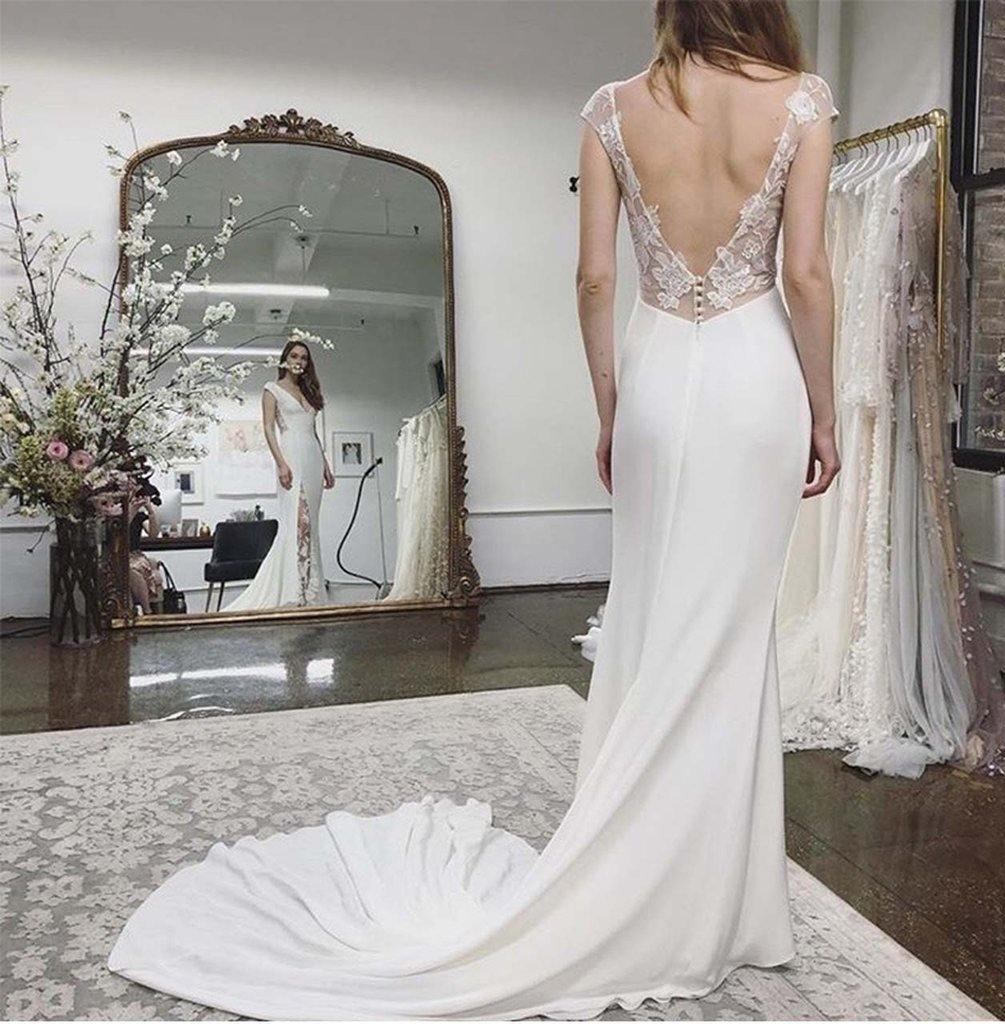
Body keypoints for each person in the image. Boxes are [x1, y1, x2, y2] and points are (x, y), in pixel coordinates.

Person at [107, 1, 841, 1016]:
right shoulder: (800, 100)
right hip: (759, 379)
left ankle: (670, 869)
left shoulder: (614, 107)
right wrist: (823, 408)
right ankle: (723, 898)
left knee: (655, 614)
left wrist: (610, 407)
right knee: (731, 630)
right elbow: (803, 273)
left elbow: (595, 278)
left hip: (658, 378)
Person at [220, 339, 335, 612]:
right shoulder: (272, 389)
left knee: (311, 527)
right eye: (294, 356)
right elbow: (269, 429)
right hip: (291, 456)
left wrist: (326, 465)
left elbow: (313, 432)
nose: (299, 361)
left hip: (313, 458)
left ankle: (309, 591)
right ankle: (291, 589)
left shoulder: (309, 392)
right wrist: (281, 463)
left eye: (304, 358)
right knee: (297, 523)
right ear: (285, 359)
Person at [127, 481, 164, 615]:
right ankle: (147, 610)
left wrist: (150, 511)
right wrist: (131, 511)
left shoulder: (140, 516)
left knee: (139, 566)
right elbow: (119, 532)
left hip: (135, 555)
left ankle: (147, 611)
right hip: (120, 555)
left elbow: (153, 534)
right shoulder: (117, 513)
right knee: (132, 571)